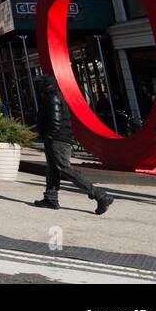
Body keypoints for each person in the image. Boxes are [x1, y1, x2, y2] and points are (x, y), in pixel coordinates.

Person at [33, 74, 114, 215]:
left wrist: (50, 136)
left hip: (57, 139)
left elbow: (56, 121)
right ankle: (50, 198)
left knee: (65, 169)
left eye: (38, 83)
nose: (36, 86)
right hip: (56, 138)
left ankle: (100, 195)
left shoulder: (52, 97)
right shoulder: (52, 95)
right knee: (53, 169)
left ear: (45, 84)